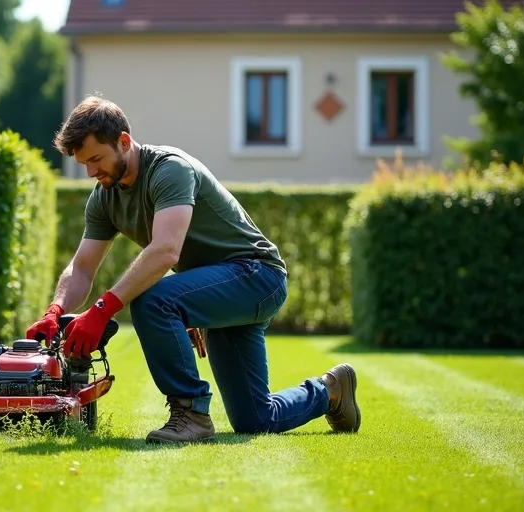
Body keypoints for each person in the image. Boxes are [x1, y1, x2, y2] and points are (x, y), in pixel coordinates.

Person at [26, 96, 361, 444]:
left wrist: (103, 308)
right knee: (255, 418)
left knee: (152, 301)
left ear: (124, 141)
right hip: (226, 284)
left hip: (258, 277)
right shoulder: (104, 198)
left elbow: (165, 251)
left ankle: (190, 415)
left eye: (96, 159)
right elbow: (81, 268)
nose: (92, 172)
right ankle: (332, 391)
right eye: (84, 164)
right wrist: (56, 310)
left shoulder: (170, 169)